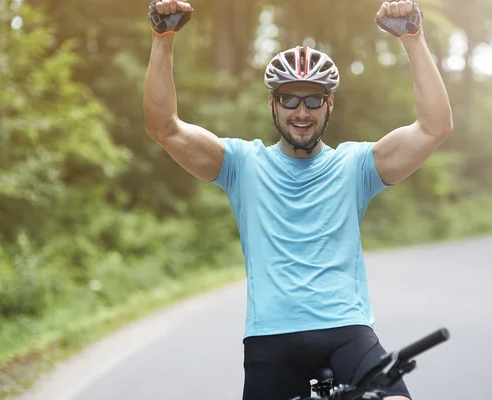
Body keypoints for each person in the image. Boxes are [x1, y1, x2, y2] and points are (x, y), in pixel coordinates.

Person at [143, 1, 452, 399]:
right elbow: (163, 127)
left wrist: (413, 36)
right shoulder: (241, 163)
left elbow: (435, 127)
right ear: (272, 104)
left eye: (313, 100)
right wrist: (162, 38)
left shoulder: (356, 164)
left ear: (330, 104)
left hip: (347, 331)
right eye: (289, 99)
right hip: (272, 337)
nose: (301, 112)